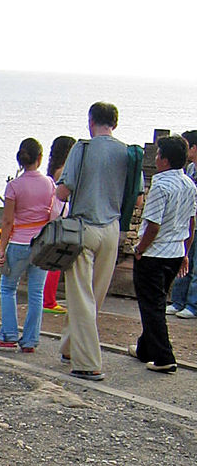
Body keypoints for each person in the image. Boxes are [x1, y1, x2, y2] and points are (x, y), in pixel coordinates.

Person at [56, 102, 136, 381]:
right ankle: (68, 347)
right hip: (112, 230)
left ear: (91, 121)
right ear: (115, 123)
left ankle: (88, 362)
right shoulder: (128, 153)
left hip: (84, 227)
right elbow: (135, 197)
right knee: (94, 296)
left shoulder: (83, 148)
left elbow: (64, 193)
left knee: (80, 297)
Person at [129, 134, 196, 374]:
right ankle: (144, 348)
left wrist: (140, 249)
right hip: (176, 250)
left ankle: (163, 355)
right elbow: (191, 222)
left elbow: (153, 225)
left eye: (158, 155)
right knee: (156, 301)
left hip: (155, 253)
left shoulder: (160, 185)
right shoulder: (189, 183)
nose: (156, 159)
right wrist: (186, 251)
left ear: (165, 160)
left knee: (151, 305)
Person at [0, 138, 54, 352]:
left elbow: (7, 221)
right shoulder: (49, 183)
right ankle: (30, 340)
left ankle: (8, 334)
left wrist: (1, 248)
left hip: (18, 242)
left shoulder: (13, 186)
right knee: (37, 293)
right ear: (40, 158)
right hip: (41, 244)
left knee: (8, 288)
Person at [42, 136, 76, 314]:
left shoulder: (53, 169)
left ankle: (48, 298)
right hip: (60, 215)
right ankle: (49, 300)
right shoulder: (64, 170)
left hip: (53, 214)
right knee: (56, 260)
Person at [165, 130, 197, 320]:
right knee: (183, 261)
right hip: (187, 222)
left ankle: (192, 304)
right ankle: (178, 301)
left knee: (195, 266)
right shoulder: (190, 169)